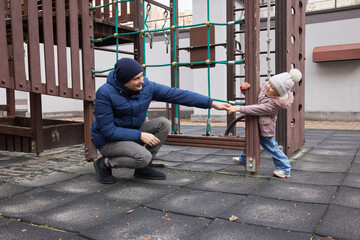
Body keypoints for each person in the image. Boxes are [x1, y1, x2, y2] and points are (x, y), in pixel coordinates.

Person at [91, 58, 229, 184]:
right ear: (123, 81)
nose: (142, 81)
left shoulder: (146, 87)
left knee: (163, 123)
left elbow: (177, 94)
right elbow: (108, 131)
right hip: (108, 141)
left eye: (141, 75)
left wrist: (211, 103)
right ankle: (105, 163)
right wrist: (140, 136)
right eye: (136, 78)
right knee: (143, 157)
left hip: (131, 133)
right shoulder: (105, 93)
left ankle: (143, 168)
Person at [226, 69, 302, 178]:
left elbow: (257, 108)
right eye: (269, 83)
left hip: (265, 129)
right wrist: (244, 88)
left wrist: (238, 108)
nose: (268, 87)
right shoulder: (266, 88)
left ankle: (285, 169)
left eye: (272, 88)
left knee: (272, 148)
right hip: (256, 123)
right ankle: (243, 160)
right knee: (250, 140)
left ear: (278, 94)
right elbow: (253, 96)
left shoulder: (274, 104)